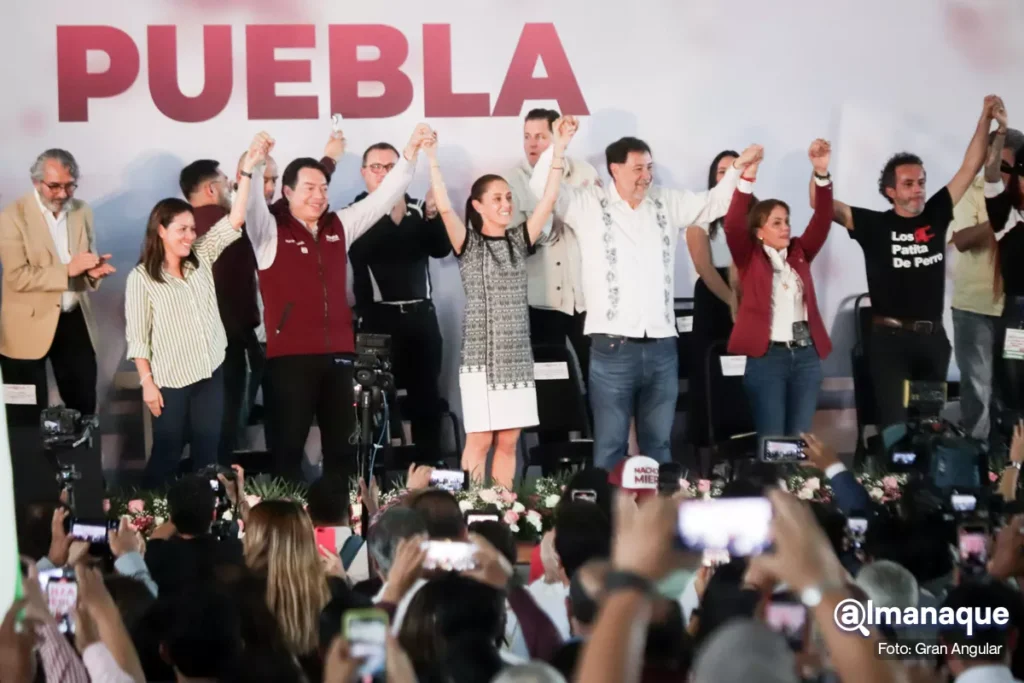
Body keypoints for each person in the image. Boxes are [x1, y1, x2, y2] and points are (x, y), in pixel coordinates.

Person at [530, 129, 762, 468]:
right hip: (612, 348)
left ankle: (659, 517)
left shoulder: (666, 201)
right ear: (614, 169)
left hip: (662, 347)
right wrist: (559, 147)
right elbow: (541, 190)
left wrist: (741, 169)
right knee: (610, 445)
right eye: (638, 168)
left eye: (649, 167)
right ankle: (612, 517)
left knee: (659, 445)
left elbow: (716, 202)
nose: (646, 176)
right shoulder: (587, 203)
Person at [242, 123, 432, 482]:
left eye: (324, 188)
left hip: (339, 357)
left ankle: (342, 523)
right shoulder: (269, 231)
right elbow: (251, 205)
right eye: (310, 188)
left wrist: (409, 156)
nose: (319, 195)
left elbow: (383, 197)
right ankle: (288, 532)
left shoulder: (339, 226)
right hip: (289, 360)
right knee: (288, 451)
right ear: (287, 191)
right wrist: (252, 166)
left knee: (343, 453)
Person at [812, 95, 1000, 432]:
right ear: (890, 192)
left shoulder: (937, 212)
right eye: (908, 184)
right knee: (895, 428)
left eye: (921, 182)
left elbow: (970, 165)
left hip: (932, 342)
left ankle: (927, 483)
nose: (918, 191)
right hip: (889, 343)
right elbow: (821, 204)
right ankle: (893, 486)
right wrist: (821, 173)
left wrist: (985, 118)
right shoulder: (873, 225)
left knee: (928, 426)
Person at [421, 117, 570, 489]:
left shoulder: (519, 241)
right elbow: (443, 207)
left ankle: (503, 511)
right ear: (478, 206)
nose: (506, 204)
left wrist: (560, 149)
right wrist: (432, 159)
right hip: (481, 359)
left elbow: (549, 199)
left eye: (508, 197)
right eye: (497, 199)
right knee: (481, 440)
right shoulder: (468, 244)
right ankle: (470, 511)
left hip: (518, 357)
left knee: (509, 441)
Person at [126, 138, 256, 488]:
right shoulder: (142, 278)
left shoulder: (201, 256)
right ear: (161, 231)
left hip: (209, 369)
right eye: (182, 229)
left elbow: (236, 218)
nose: (189, 235)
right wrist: (148, 385)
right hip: (169, 379)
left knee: (207, 453)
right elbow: (138, 338)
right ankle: (150, 515)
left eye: (192, 229)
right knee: (167, 451)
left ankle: (204, 517)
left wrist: (245, 174)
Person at [348, 141, 452, 461]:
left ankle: (430, 478)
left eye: (391, 167)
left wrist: (433, 216)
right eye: (376, 167)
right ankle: (376, 482)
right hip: (378, 323)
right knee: (375, 403)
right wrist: (390, 210)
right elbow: (364, 251)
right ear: (364, 173)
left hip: (421, 319)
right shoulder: (356, 213)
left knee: (427, 400)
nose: (383, 174)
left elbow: (440, 249)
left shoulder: (421, 208)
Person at [725, 140, 835, 437]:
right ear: (759, 232)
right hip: (767, 359)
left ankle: (800, 486)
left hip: (806, 358)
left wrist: (821, 174)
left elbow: (823, 220)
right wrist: (747, 178)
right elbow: (733, 225)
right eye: (776, 223)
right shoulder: (749, 257)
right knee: (772, 440)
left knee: (801, 439)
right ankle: (773, 485)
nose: (785, 227)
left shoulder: (800, 252)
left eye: (786, 221)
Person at [0, 148, 115, 423]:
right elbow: (16, 276)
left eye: (69, 186)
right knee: (24, 416)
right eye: (54, 186)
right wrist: (67, 270)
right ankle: (30, 467)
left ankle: (83, 464)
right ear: (36, 182)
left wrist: (93, 272)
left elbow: (82, 265)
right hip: (24, 327)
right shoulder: (11, 216)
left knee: (84, 406)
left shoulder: (82, 210)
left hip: (73, 319)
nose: (63, 194)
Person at [179, 158, 264, 464]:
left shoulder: (172, 228)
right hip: (228, 339)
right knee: (224, 427)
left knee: (190, 429)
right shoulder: (230, 226)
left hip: (185, 345)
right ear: (212, 189)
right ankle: (220, 494)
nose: (232, 187)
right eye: (228, 182)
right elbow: (240, 287)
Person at [506, 108, 601, 380]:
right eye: (527, 137)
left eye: (540, 136)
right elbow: (515, 243)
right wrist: (547, 220)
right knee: (550, 380)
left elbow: (598, 225)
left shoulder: (584, 172)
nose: (532, 144)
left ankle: (597, 424)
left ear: (558, 136)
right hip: (542, 300)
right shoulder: (512, 181)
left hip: (585, 299)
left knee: (598, 375)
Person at [949, 125, 1024, 443]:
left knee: (1015, 383)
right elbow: (962, 240)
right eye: (995, 163)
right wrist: (999, 217)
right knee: (978, 388)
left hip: (1016, 311)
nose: (1000, 171)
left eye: (1007, 165)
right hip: (975, 309)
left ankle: (1013, 461)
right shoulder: (971, 191)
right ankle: (977, 461)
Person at [686, 150, 743, 450]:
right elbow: (704, 267)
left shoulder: (755, 210)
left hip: (747, 298)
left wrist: (745, 300)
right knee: (713, 374)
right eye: (722, 171)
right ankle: (710, 447)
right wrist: (731, 300)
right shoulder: (702, 210)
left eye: (733, 169)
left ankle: (745, 440)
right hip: (714, 298)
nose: (727, 176)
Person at [143, 474, 245, 596]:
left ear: (172, 516)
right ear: (213, 514)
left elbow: (155, 540)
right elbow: (265, 533)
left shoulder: (160, 555)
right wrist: (240, 498)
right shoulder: (232, 551)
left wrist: (177, 515)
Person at [985, 106, 1024, 416]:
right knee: (1013, 388)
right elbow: (992, 176)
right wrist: (999, 133)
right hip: (1015, 315)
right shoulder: (1004, 216)